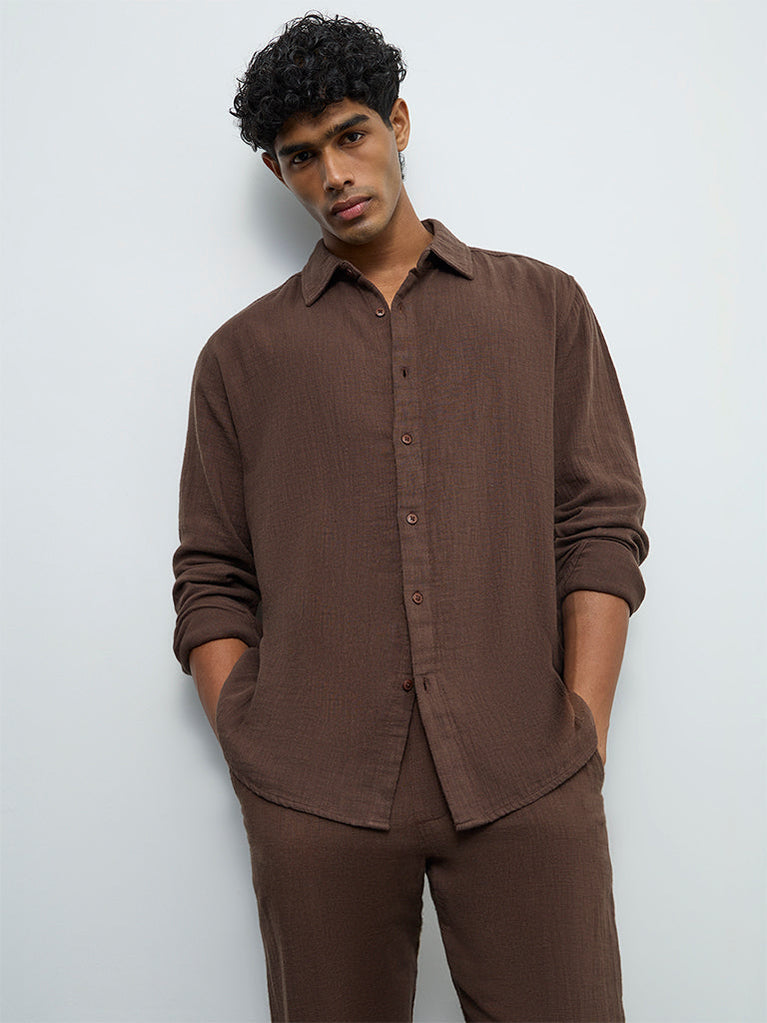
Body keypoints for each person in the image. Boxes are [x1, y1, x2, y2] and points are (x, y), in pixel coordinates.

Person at [172, 12, 649, 1022]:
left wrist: (583, 732)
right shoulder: (241, 359)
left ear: (396, 122)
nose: (334, 174)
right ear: (276, 172)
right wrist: (254, 753)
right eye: (301, 156)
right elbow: (210, 575)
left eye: (350, 135)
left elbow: (598, 526)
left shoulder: (543, 308)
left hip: (525, 773)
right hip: (316, 793)